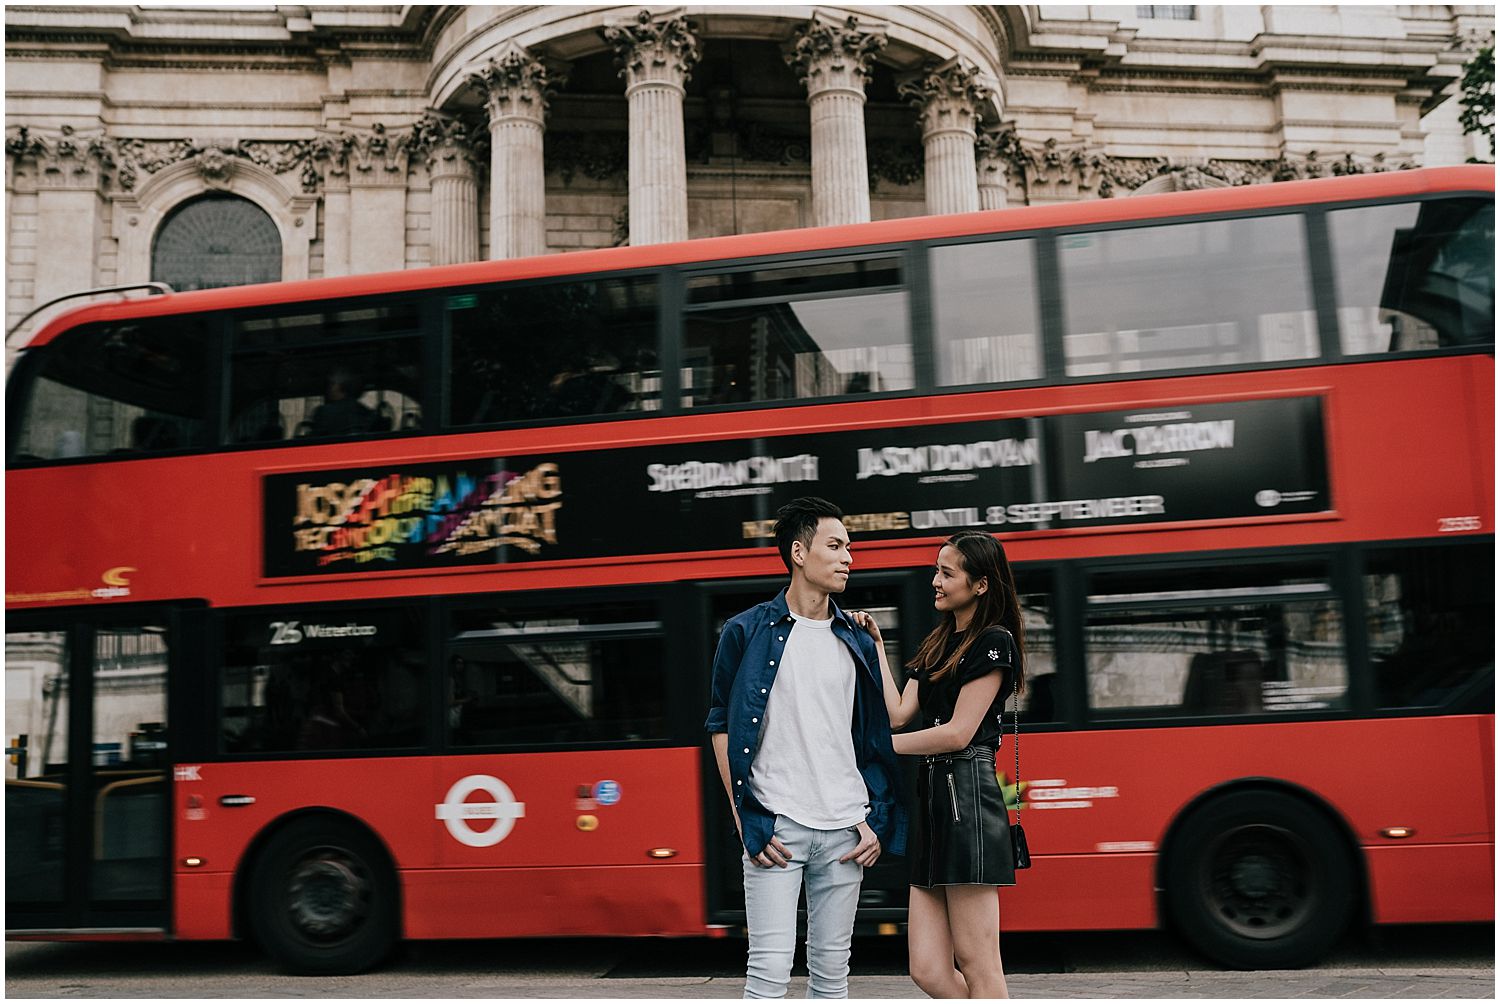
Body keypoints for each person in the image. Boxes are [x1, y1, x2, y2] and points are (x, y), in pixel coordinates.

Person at [706, 497, 906, 999]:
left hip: (846, 831)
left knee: (832, 979)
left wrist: (875, 818)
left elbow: (882, 728)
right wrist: (743, 816)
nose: (848, 559)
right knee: (768, 975)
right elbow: (720, 726)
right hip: (777, 827)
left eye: (849, 548)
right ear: (798, 552)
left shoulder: (855, 638)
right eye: (835, 546)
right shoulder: (745, 631)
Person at [851, 529, 1025, 1000]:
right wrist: (874, 645)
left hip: (967, 800)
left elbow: (957, 732)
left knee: (979, 964)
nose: (936, 581)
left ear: (981, 585)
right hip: (933, 801)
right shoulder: (939, 641)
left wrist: (875, 749)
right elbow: (899, 714)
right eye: (937, 570)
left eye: (947, 573)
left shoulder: (994, 643)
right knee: (927, 969)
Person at [308, 367, 376, 437]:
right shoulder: (367, 413)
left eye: (331, 384)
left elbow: (313, 440)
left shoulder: (323, 413)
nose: (329, 388)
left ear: (338, 386)